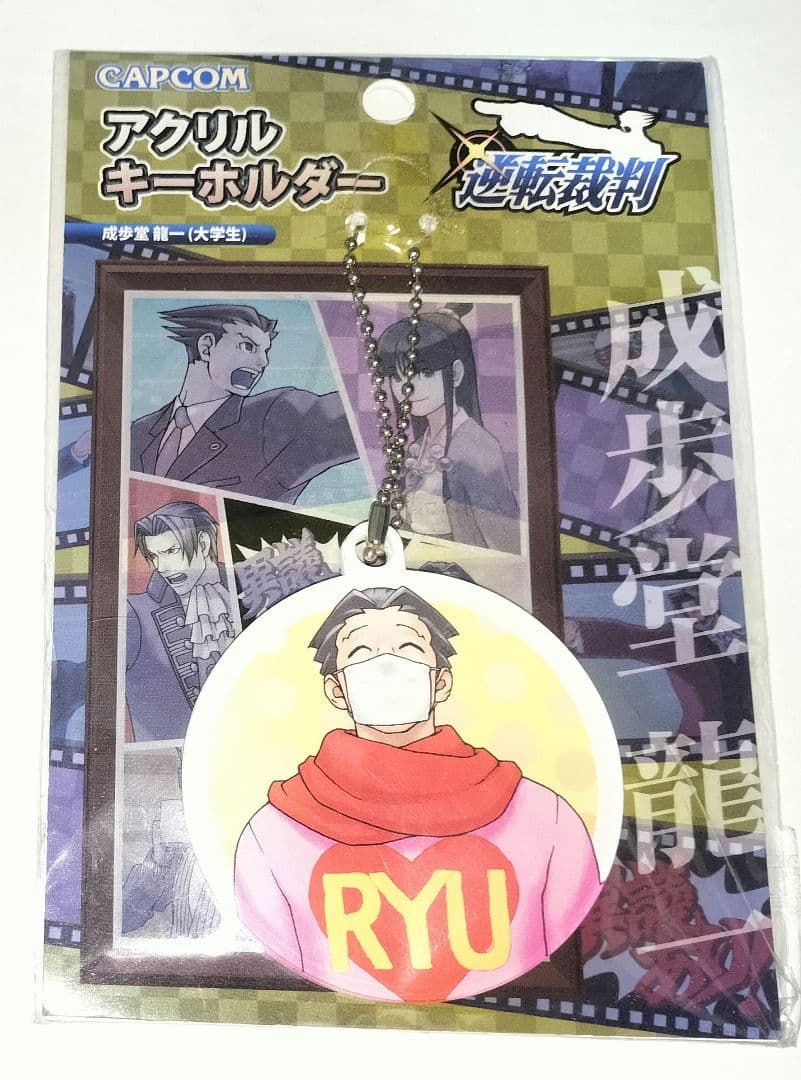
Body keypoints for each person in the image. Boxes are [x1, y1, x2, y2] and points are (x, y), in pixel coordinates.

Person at [234, 586, 600, 1003]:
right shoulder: (272, 833)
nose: (386, 668)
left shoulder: (545, 816)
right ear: (336, 690)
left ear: (441, 681)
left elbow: (573, 946)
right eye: (361, 654)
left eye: (408, 649)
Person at [130, 304, 359, 503]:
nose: (263, 362)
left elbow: (341, 415)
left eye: (265, 351)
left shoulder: (273, 418)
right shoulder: (137, 432)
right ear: (207, 347)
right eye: (248, 346)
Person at [379, 305, 520, 553]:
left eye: (425, 373)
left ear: (455, 373)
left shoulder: (478, 448)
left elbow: (505, 544)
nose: (408, 388)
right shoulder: (416, 448)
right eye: (397, 377)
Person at [126, 501, 234, 741]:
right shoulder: (134, 612)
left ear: (203, 543)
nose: (161, 567)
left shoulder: (246, 590)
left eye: (171, 551)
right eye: (154, 556)